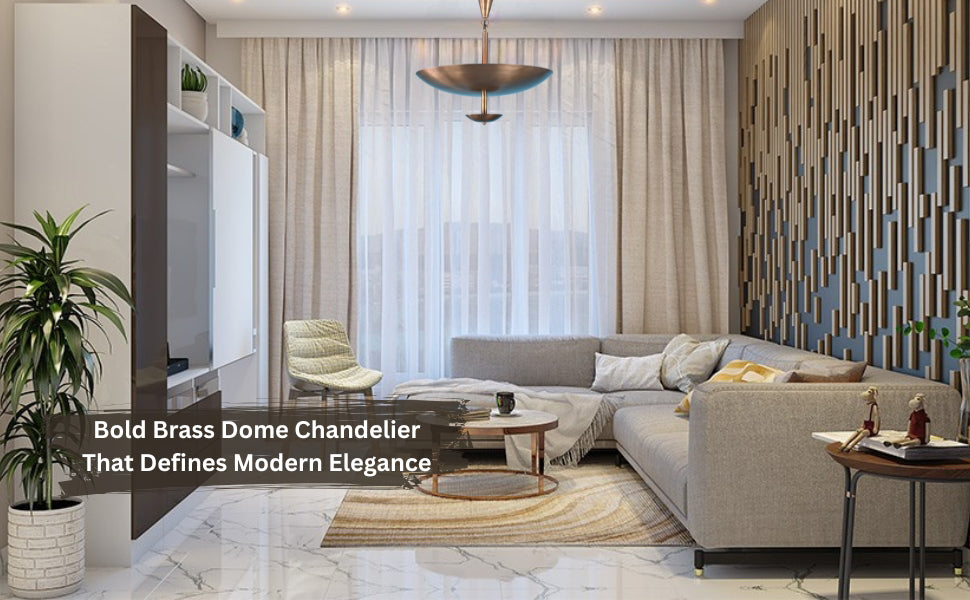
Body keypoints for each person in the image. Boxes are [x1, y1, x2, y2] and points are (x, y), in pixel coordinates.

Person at [840, 387, 880, 452]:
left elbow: (876, 416)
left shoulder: (874, 406)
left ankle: (850, 446)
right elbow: (865, 416)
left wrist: (875, 427)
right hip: (866, 425)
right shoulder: (868, 405)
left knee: (863, 433)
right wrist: (863, 425)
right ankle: (844, 444)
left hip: (871, 427)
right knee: (857, 431)